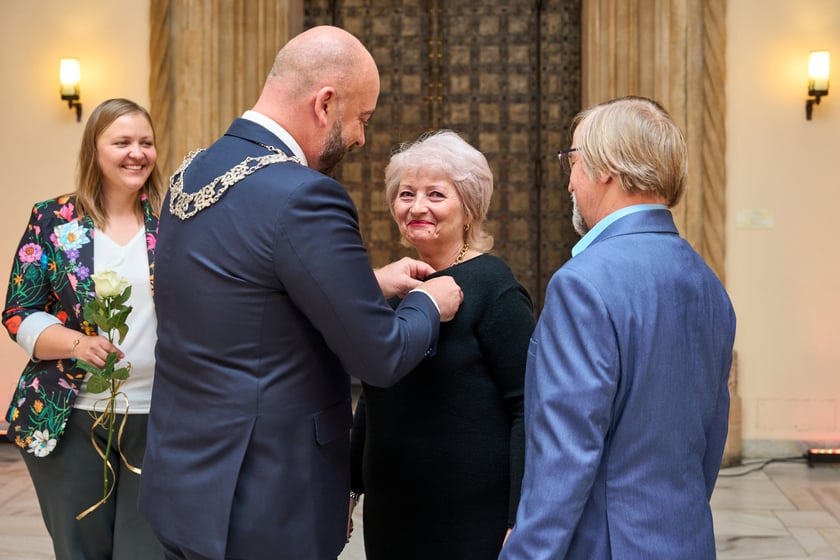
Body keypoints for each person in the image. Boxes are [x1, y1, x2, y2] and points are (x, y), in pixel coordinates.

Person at [137, 25, 463, 560]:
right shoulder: (305, 196)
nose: (361, 138)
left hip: (184, 484)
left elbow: (237, 296)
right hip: (266, 499)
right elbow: (379, 354)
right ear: (325, 103)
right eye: (362, 118)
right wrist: (430, 303)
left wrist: (365, 284)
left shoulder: (189, 171)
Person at [500, 96, 736, 559]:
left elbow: (564, 459)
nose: (569, 182)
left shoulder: (583, 284)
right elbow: (710, 442)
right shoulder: (708, 283)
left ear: (605, 168)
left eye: (573, 159)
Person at [348, 131, 535, 558]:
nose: (416, 207)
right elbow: (373, 394)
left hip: (469, 517)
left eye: (435, 194)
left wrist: (518, 516)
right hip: (392, 512)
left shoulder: (494, 287)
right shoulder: (399, 284)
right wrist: (351, 488)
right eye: (406, 194)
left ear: (468, 207)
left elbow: (527, 405)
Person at [2, 98, 166, 559]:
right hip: (68, 415)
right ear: (94, 150)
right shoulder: (52, 221)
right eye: (122, 142)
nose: (137, 153)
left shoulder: (175, 222)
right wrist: (76, 343)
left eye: (146, 142)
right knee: (82, 551)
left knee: (148, 551)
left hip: (160, 416)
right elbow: (20, 310)